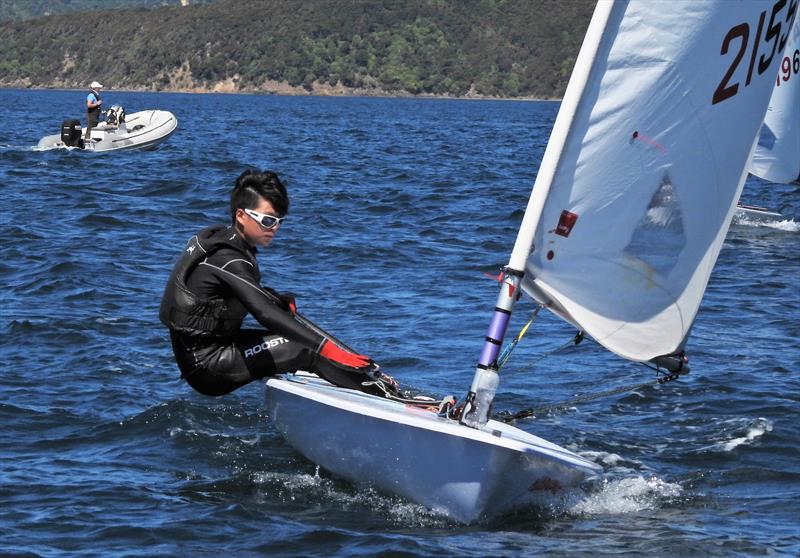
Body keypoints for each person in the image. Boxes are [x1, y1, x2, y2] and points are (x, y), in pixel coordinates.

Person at [160, 169, 398, 397]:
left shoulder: (226, 241)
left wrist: (273, 298)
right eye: (266, 220)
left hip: (213, 348)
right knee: (306, 348)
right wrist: (328, 349)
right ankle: (388, 397)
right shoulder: (229, 258)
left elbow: (233, 295)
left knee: (295, 335)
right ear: (241, 216)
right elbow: (264, 313)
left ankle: (362, 383)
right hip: (208, 366)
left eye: (278, 221)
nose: (274, 228)